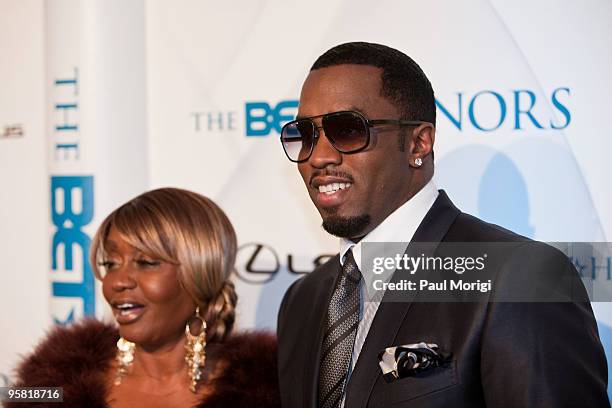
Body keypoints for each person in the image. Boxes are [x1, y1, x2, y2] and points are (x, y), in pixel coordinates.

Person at [276, 42, 609, 407]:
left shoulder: (520, 280)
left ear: (419, 143)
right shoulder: (303, 300)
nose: (319, 156)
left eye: (348, 130)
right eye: (306, 134)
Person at [9, 188, 280, 407]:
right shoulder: (51, 382)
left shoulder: (270, 390)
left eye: (147, 262)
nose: (117, 282)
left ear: (201, 274)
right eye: (111, 263)